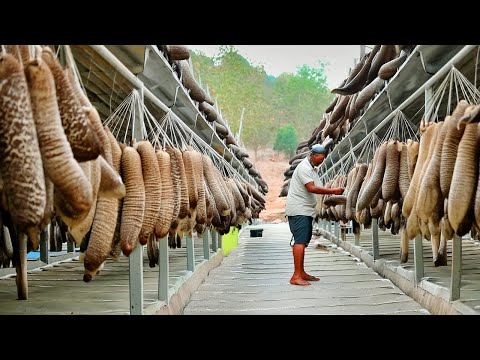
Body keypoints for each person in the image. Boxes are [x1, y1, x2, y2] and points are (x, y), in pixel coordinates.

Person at [285, 143, 344, 286]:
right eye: (319, 158)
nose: (321, 161)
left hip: (305, 210)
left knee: (303, 241)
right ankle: (296, 276)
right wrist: (333, 192)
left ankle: (301, 272)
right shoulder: (304, 168)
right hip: (299, 210)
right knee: (299, 241)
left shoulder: (311, 168)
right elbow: (311, 188)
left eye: (323, 159)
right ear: (311, 155)